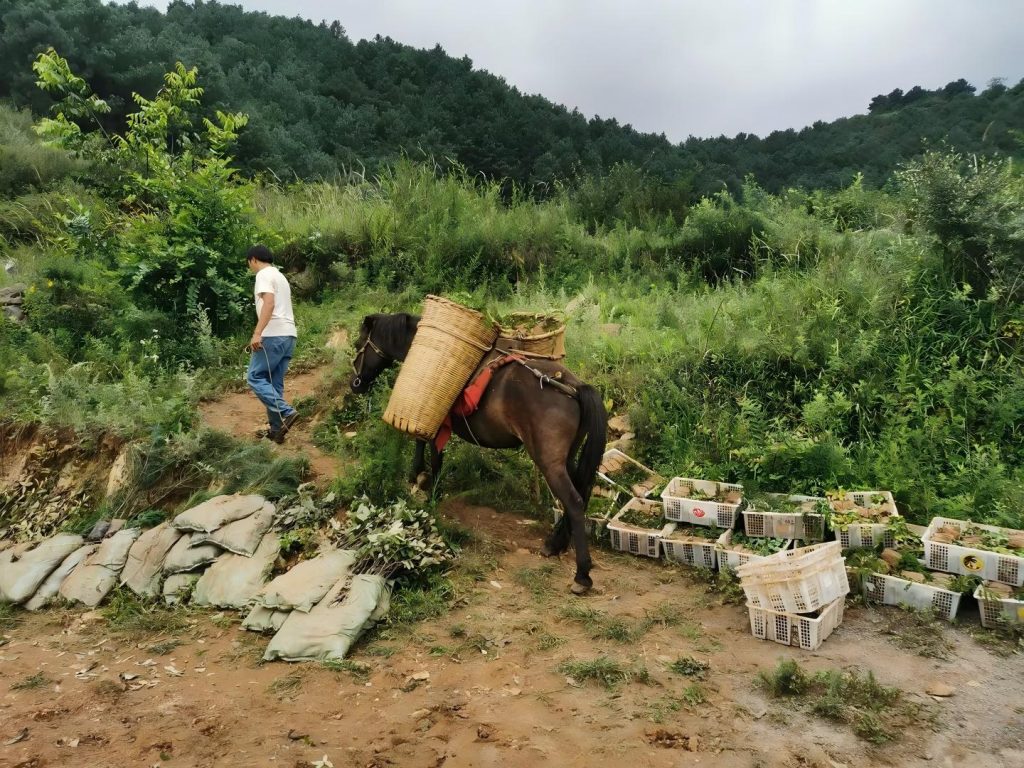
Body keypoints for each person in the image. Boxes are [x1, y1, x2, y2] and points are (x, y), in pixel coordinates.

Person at [245, 244, 298, 443]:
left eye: (249, 263)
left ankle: (286, 411)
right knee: (274, 384)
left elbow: (269, 303)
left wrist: (257, 333)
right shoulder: (280, 277)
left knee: (254, 377)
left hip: (273, 335)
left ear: (253, 260)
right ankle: (277, 430)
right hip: (289, 336)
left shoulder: (263, 274)